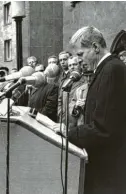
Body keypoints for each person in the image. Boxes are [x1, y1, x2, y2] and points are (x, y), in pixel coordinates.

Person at [53, 26, 126, 194]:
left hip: (109, 170)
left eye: (80, 54)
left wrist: (68, 133)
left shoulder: (111, 70)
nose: (79, 60)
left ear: (95, 47)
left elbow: (103, 128)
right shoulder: (105, 69)